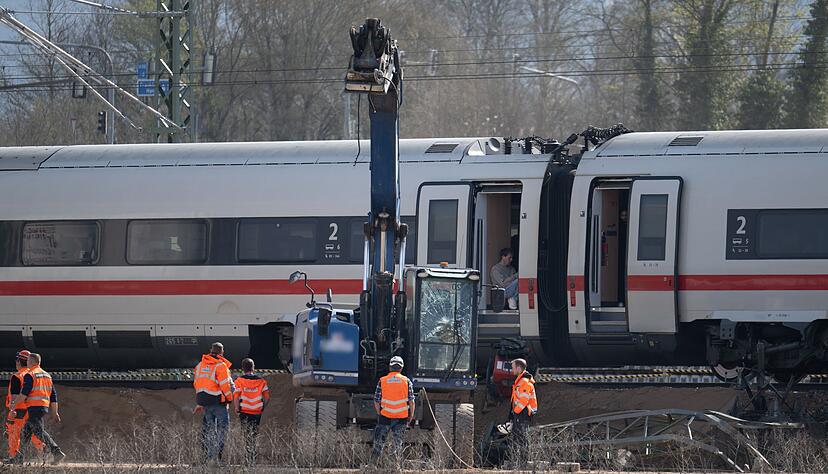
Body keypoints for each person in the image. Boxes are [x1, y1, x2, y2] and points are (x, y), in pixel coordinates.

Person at [7, 353, 65, 465]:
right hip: (43, 407)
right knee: (26, 432)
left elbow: (24, 394)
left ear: (31, 362)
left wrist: (14, 404)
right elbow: (53, 395)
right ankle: (19, 457)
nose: (27, 363)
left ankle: (56, 451)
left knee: (39, 432)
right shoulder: (47, 375)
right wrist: (55, 412)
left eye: (28, 361)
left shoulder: (31, 375)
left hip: (34, 407)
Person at [193, 342, 234, 465]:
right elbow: (225, 385)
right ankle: (217, 458)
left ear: (211, 350)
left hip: (205, 402)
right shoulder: (220, 365)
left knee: (210, 431)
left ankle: (209, 458)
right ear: (222, 352)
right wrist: (229, 398)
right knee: (222, 430)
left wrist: (200, 402)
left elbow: (197, 383)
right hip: (218, 402)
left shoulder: (200, 365)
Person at [370, 355, 414, 464]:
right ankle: (395, 467)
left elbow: (376, 400)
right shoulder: (406, 381)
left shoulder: (383, 380)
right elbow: (411, 401)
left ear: (390, 367)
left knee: (378, 443)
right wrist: (411, 416)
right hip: (401, 418)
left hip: (385, 416)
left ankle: (373, 466)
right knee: (397, 445)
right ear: (401, 368)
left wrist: (379, 413)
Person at [5, 350, 44, 461]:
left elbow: (14, 396)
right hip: (31, 408)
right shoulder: (32, 374)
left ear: (19, 361)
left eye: (16, 360)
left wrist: (12, 410)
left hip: (18, 410)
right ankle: (43, 451)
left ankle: (14, 456)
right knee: (33, 433)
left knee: (13, 433)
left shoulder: (17, 376)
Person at [233, 358, 269, 465]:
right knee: (254, 434)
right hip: (257, 412)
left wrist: (236, 408)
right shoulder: (262, 381)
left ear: (242, 368)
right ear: (253, 368)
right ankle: (252, 458)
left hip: (244, 411)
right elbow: (267, 398)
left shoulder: (239, 381)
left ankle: (248, 459)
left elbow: (236, 396)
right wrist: (262, 407)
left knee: (246, 435)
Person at [508, 358, 536, 466]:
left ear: (519, 368)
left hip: (522, 414)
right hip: (520, 413)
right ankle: (519, 462)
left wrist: (515, 412)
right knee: (518, 438)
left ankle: (522, 463)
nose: (512, 370)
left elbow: (524, 400)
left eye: (513, 368)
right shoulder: (520, 381)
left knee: (521, 438)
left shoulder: (524, 382)